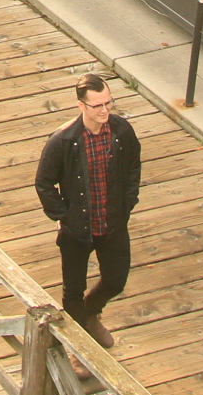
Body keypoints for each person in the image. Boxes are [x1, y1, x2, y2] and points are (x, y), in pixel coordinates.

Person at [34, 73, 141, 347]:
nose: (105, 110)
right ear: (82, 106)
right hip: (77, 230)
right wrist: (63, 215)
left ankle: (89, 314)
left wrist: (127, 204)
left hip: (113, 223)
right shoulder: (63, 140)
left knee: (116, 281)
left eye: (108, 103)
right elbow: (44, 182)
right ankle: (80, 350)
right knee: (72, 292)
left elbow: (132, 169)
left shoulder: (122, 132)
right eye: (98, 106)